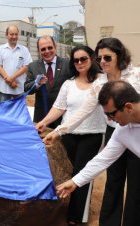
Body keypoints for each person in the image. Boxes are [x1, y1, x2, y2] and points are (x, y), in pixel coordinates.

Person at [44, 38, 140, 226]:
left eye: (107, 57)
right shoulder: (101, 86)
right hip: (122, 132)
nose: (102, 61)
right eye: (99, 58)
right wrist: (59, 131)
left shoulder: (136, 75)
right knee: (113, 181)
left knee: (136, 186)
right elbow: (100, 159)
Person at [36, 45, 105, 225]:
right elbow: (59, 107)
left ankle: (77, 217)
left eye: (83, 59)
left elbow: (86, 111)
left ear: (91, 59)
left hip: (92, 134)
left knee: (83, 174)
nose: (80, 63)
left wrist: (58, 131)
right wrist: (44, 121)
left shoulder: (101, 82)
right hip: (69, 135)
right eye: (76, 60)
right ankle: (66, 212)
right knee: (68, 174)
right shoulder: (68, 84)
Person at [57, 81, 140, 226]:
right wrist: (75, 181)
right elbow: (102, 159)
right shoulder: (122, 131)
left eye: (111, 114)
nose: (108, 119)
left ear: (128, 107)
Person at [24, 35, 70, 127]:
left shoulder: (67, 64)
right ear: (38, 50)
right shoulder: (33, 66)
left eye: (50, 48)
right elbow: (26, 88)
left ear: (55, 47)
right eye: (43, 49)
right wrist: (36, 83)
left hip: (63, 116)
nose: (47, 51)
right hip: (41, 116)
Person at [0, 25, 32, 102]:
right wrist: (10, 81)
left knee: (19, 111)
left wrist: (11, 78)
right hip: (4, 88)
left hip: (19, 87)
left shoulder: (24, 50)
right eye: (11, 34)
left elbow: (26, 67)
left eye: (16, 34)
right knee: (4, 111)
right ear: (6, 35)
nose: (14, 36)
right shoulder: (0, 49)